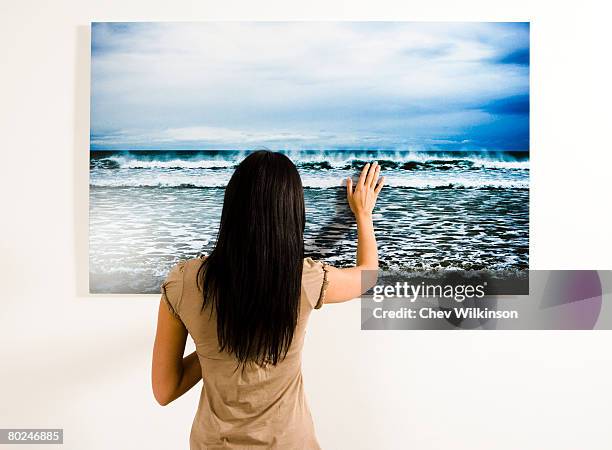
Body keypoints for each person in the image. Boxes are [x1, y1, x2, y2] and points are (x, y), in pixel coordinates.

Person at [152, 150, 385, 449]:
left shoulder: (185, 282)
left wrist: (213, 344)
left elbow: (164, 390)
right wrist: (363, 215)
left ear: (232, 207)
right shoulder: (304, 280)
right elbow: (368, 277)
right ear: (292, 212)